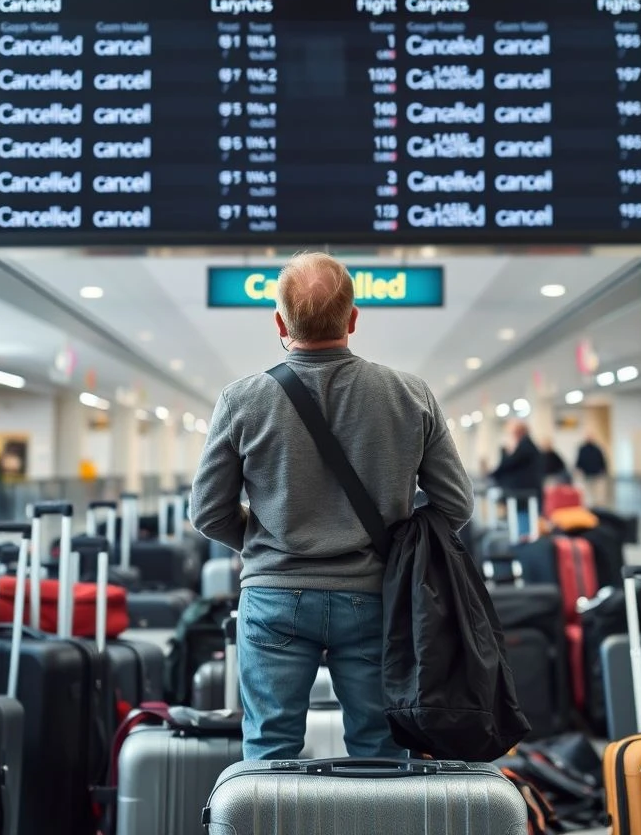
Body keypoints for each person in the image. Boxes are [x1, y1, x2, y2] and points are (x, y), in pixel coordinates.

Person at [190, 252, 473, 760]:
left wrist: (265, 538)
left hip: (273, 596)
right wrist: (399, 542)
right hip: (375, 597)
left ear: (280, 321)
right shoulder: (410, 395)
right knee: (381, 751)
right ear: (353, 318)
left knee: (270, 751)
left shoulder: (243, 400)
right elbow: (455, 504)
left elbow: (208, 512)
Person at [490, 420, 545, 505]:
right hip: (527, 489)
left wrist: (504, 451)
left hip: (524, 490)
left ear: (518, 433)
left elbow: (507, 465)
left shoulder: (525, 446)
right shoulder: (526, 445)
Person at [576, 433, 610, 508]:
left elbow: (602, 460)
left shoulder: (597, 449)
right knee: (588, 492)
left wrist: (604, 470)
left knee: (598, 492)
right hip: (586, 474)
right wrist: (578, 470)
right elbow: (579, 461)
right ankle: (589, 506)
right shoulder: (582, 449)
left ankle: (599, 506)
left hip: (597, 474)